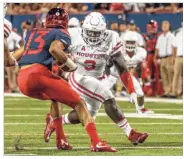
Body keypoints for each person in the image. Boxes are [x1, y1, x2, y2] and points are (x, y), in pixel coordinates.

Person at [5, 8, 116, 152]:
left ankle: (61, 140)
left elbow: (11, 60)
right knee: (80, 104)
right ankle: (96, 142)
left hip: (23, 79)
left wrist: (4, 44)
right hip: (39, 75)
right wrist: (71, 65)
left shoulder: (33, 32)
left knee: (55, 98)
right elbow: (54, 50)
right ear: (65, 22)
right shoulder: (62, 33)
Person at [44, 12, 148, 146]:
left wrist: (132, 90)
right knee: (108, 97)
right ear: (82, 27)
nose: (92, 36)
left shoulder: (112, 37)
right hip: (79, 76)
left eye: (96, 33)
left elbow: (121, 67)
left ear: (104, 30)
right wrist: (63, 62)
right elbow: (55, 50)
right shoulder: (73, 34)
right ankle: (130, 133)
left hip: (98, 78)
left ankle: (55, 121)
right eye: (90, 32)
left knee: (87, 115)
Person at [154, 21, 177, 98]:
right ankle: (166, 91)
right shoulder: (160, 37)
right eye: (163, 25)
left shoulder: (172, 36)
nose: (164, 26)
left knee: (171, 74)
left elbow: (174, 47)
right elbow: (157, 48)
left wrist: (173, 57)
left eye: (166, 25)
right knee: (164, 75)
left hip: (169, 57)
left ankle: (172, 92)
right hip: (162, 58)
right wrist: (155, 57)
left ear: (169, 27)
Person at [142, 20, 163, 96]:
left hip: (157, 55)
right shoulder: (144, 36)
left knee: (159, 74)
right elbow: (143, 47)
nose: (152, 29)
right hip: (149, 55)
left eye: (153, 27)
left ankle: (159, 90)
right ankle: (150, 90)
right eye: (150, 27)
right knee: (149, 74)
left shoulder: (160, 35)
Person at [171, 27, 183, 97]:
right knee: (176, 75)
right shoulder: (178, 34)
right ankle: (174, 92)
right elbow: (174, 46)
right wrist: (173, 57)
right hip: (179, 57)